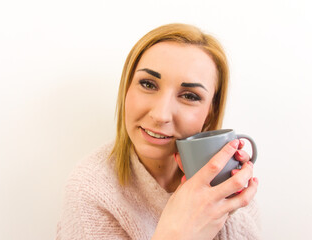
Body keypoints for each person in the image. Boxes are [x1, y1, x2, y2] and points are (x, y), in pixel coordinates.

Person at [56, 23, 260, 240]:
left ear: (210, 112)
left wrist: (227, 204)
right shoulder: (90, 191)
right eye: (148, 84)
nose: (161, 115)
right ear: (126, 89)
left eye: (189, 96)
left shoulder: (232, 185)